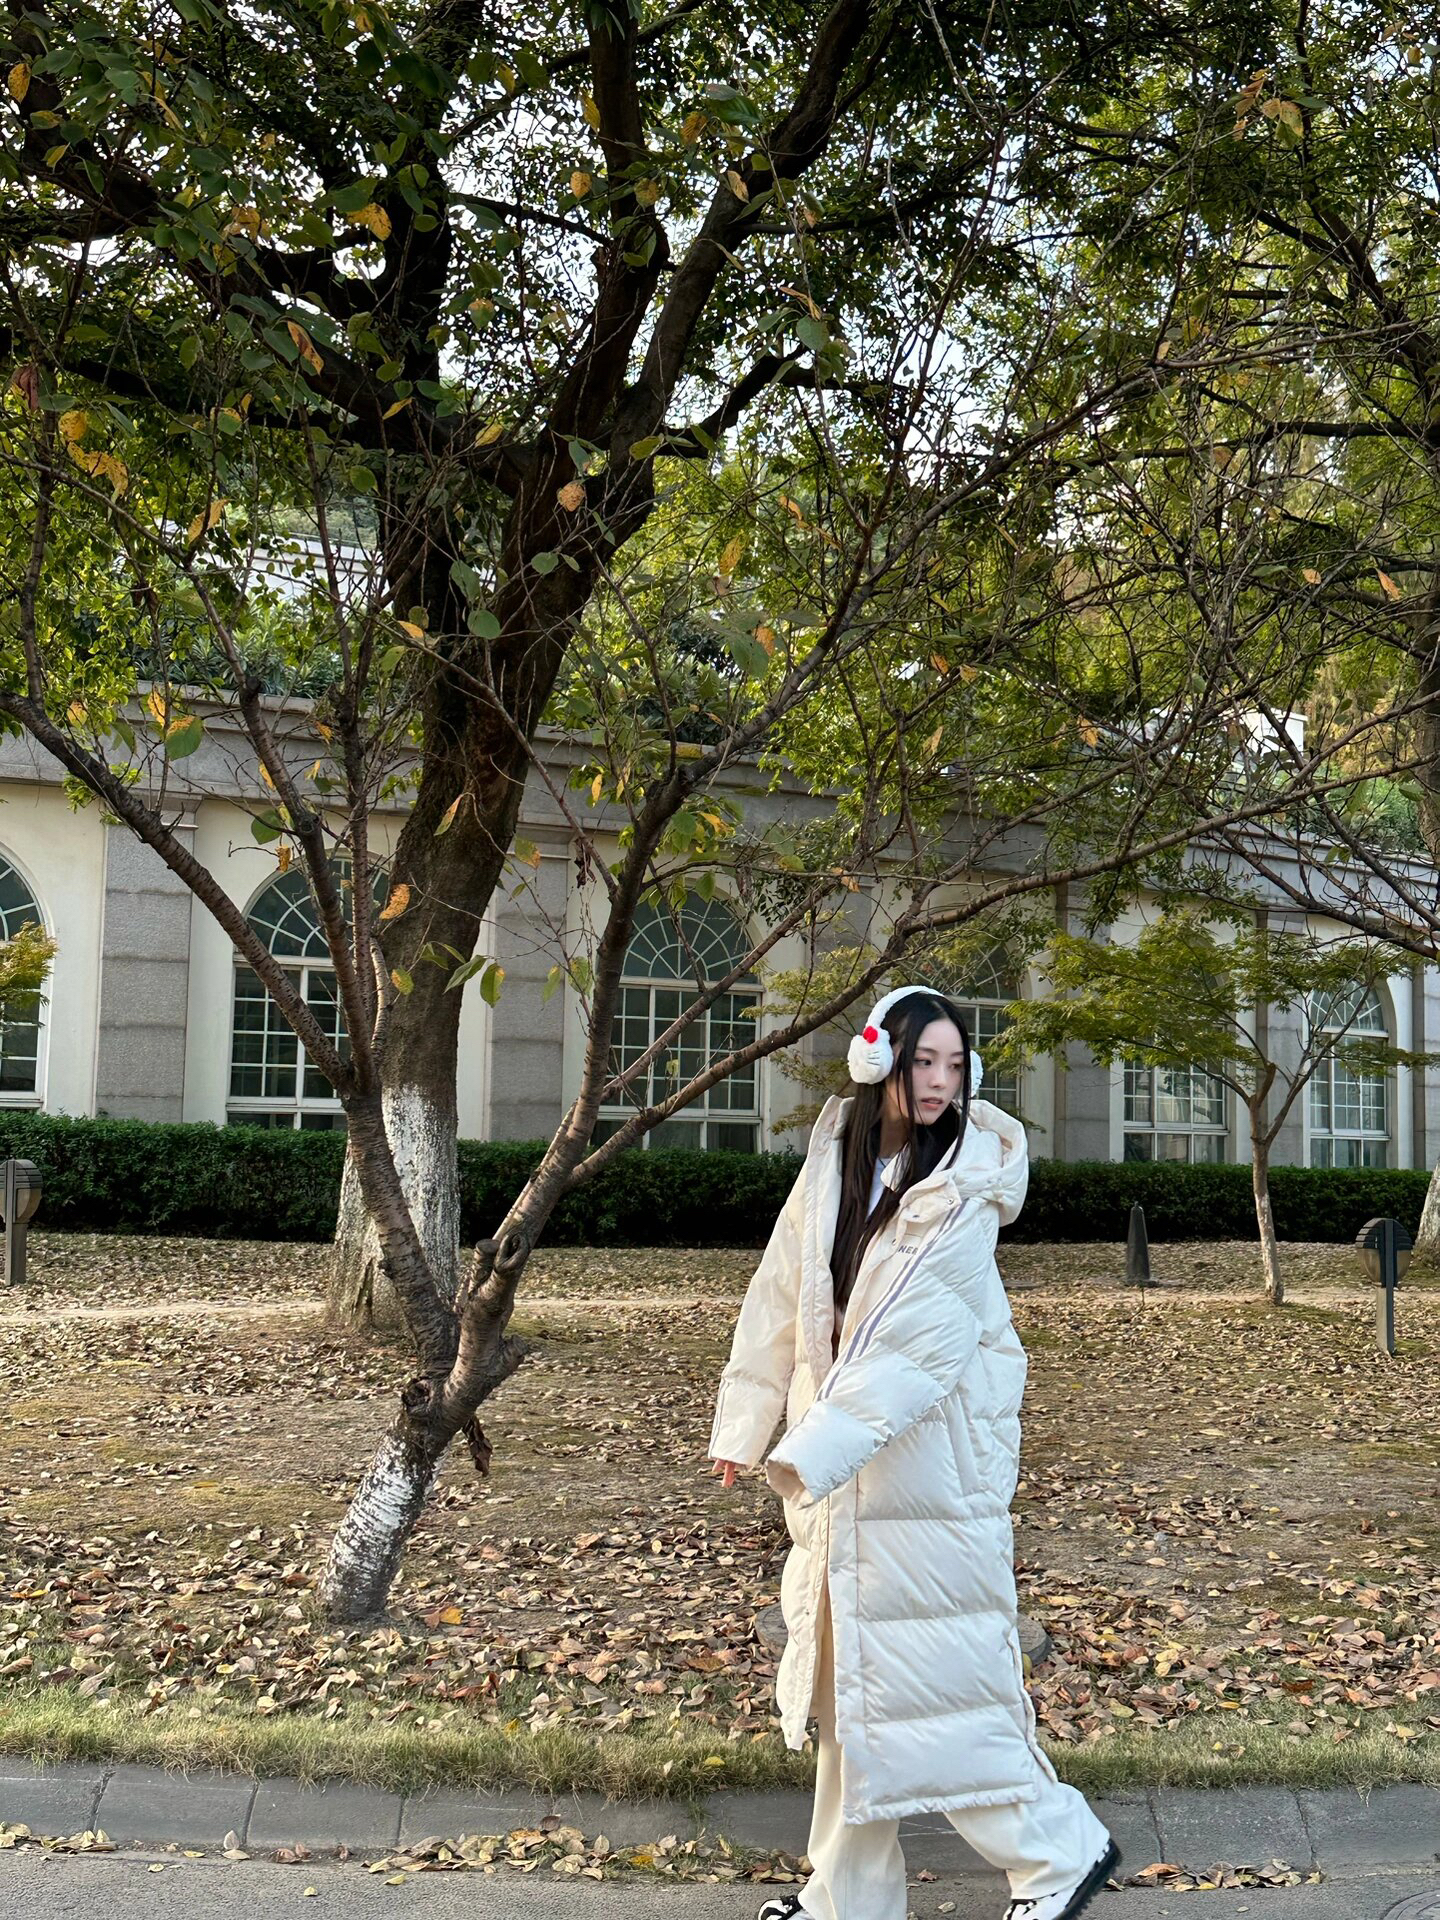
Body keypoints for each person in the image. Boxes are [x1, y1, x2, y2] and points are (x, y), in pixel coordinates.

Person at [708, 984, 1118, 1920]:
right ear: (878, 1060)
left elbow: (914, 1346)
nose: (940, 1081)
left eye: (954, 1065)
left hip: (929, 1468)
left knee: (946, 1688)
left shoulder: (965, 1186)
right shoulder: (834, 1164)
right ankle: (846, 1899)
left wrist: (805, 1451)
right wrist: (745, 1423)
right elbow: (779, 1294)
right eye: (923, 1060)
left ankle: (1060, 1853)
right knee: (848, 1690)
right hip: (849, 1467)